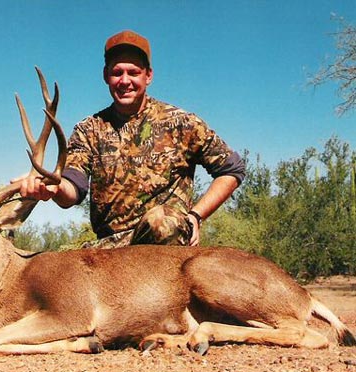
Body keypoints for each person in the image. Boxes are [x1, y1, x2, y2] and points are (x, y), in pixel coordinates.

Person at [19, 30, 245, 248]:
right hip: (111, 250)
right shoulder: (89, 129)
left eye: (134, 73)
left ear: (148, 75)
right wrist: (53, 188)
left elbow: (231, 170)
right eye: (117, 73)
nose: (125, 81)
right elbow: (74, 186)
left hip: (163, 246)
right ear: (106, 76)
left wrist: (195, 216)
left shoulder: (181, 123)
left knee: (163, 221)